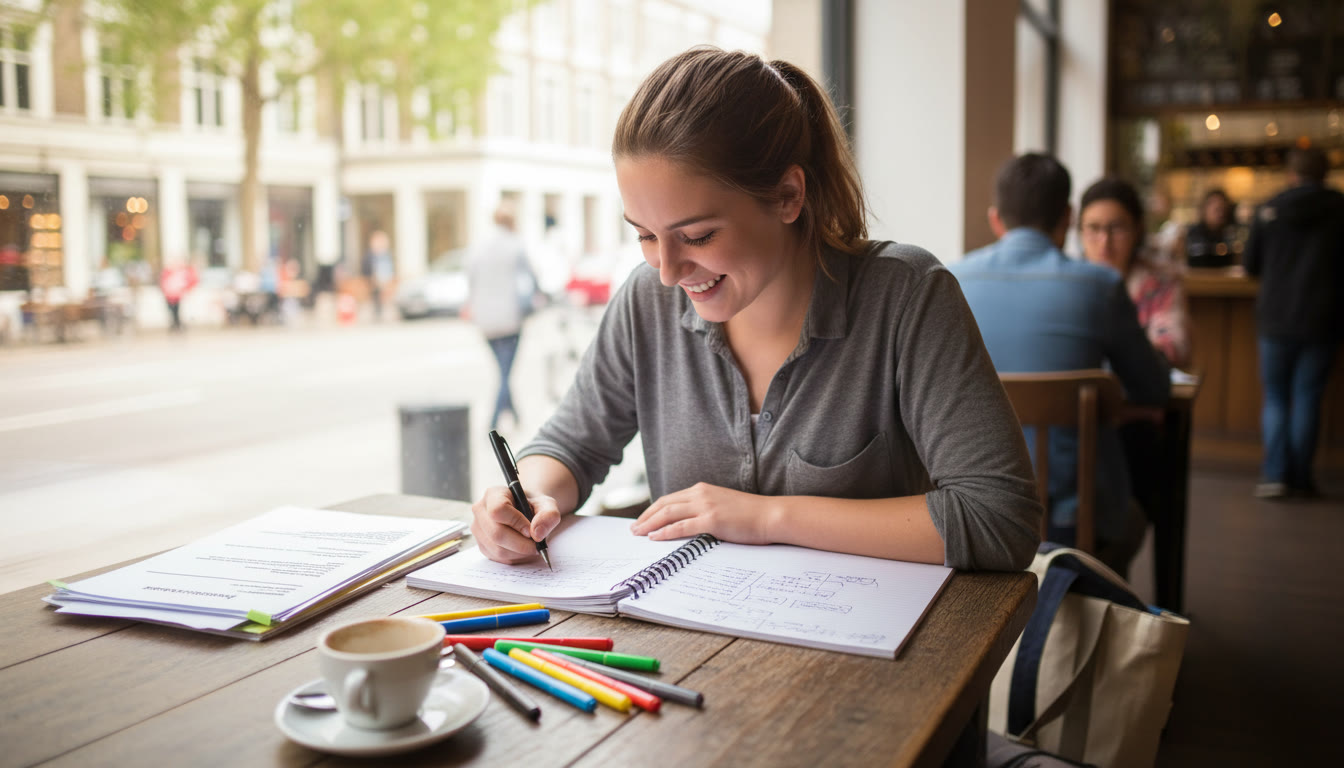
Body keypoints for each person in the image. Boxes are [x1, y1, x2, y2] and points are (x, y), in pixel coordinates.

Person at [470, 48, 1042, 572]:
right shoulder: (648, 302)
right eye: (645, 234)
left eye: (696, 236)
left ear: (789, 197)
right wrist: (528, 497)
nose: (667, 271)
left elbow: (1000, 518)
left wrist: (766, 517)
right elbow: (571, 445)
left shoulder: (906, 296)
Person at [950, 153, 1171, 577]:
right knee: (1132, 520)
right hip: (1074, 519)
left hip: (971, 512)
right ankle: (1086, 616)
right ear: (1068, 218)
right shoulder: (1101, 286)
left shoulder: (950, 280)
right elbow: (1153, 389)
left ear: (997, 219)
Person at [1243, 147, 1344, 499]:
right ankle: (1300, 478)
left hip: (1275, 316)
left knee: (1276, 398)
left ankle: (1274, 475)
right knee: (1306, 398)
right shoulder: (1339, 208)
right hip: (1323, 318)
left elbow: (1250, 265)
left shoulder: (1270, 209)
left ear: (1291, 174)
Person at [1079, 177, 1192, 369]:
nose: (1104, 241)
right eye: (1094, 228)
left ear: (1137, 230)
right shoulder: (1069, 283)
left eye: (1116, 228)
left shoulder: (1159, 285)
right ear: (1079, 231)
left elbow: (1173, 346)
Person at [466, 202, 537, 431]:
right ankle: (494, 420)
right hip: (510, 319)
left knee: (502, 369)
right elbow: (530, 279)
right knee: (505, 372)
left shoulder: (479, 246)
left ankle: (514, 415)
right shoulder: (515, 245)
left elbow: (470, 280)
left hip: (485, 320)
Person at [1182, 188, 1237, 268]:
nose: (1220, 214)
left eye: (1223, 210)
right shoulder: (1193, 233)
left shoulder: (1230, 234)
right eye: (1217, 210)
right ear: (1205, 209)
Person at [158, 261, 198, 333]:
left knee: (176, 311)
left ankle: (177, 325)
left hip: (177, 296)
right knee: (172, 311)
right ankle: (175, 324)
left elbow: (190, 281)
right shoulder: (168, 273)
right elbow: (164, 283)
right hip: (169, 295)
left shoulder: (181, 273)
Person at [365, 230, 395, 320]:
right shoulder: (370, 256)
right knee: (377, 291)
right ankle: (378, 312)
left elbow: (390, 269)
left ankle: (383, 311)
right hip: (374, 281)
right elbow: (366, 270)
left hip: (386, 280)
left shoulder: (387, 255)